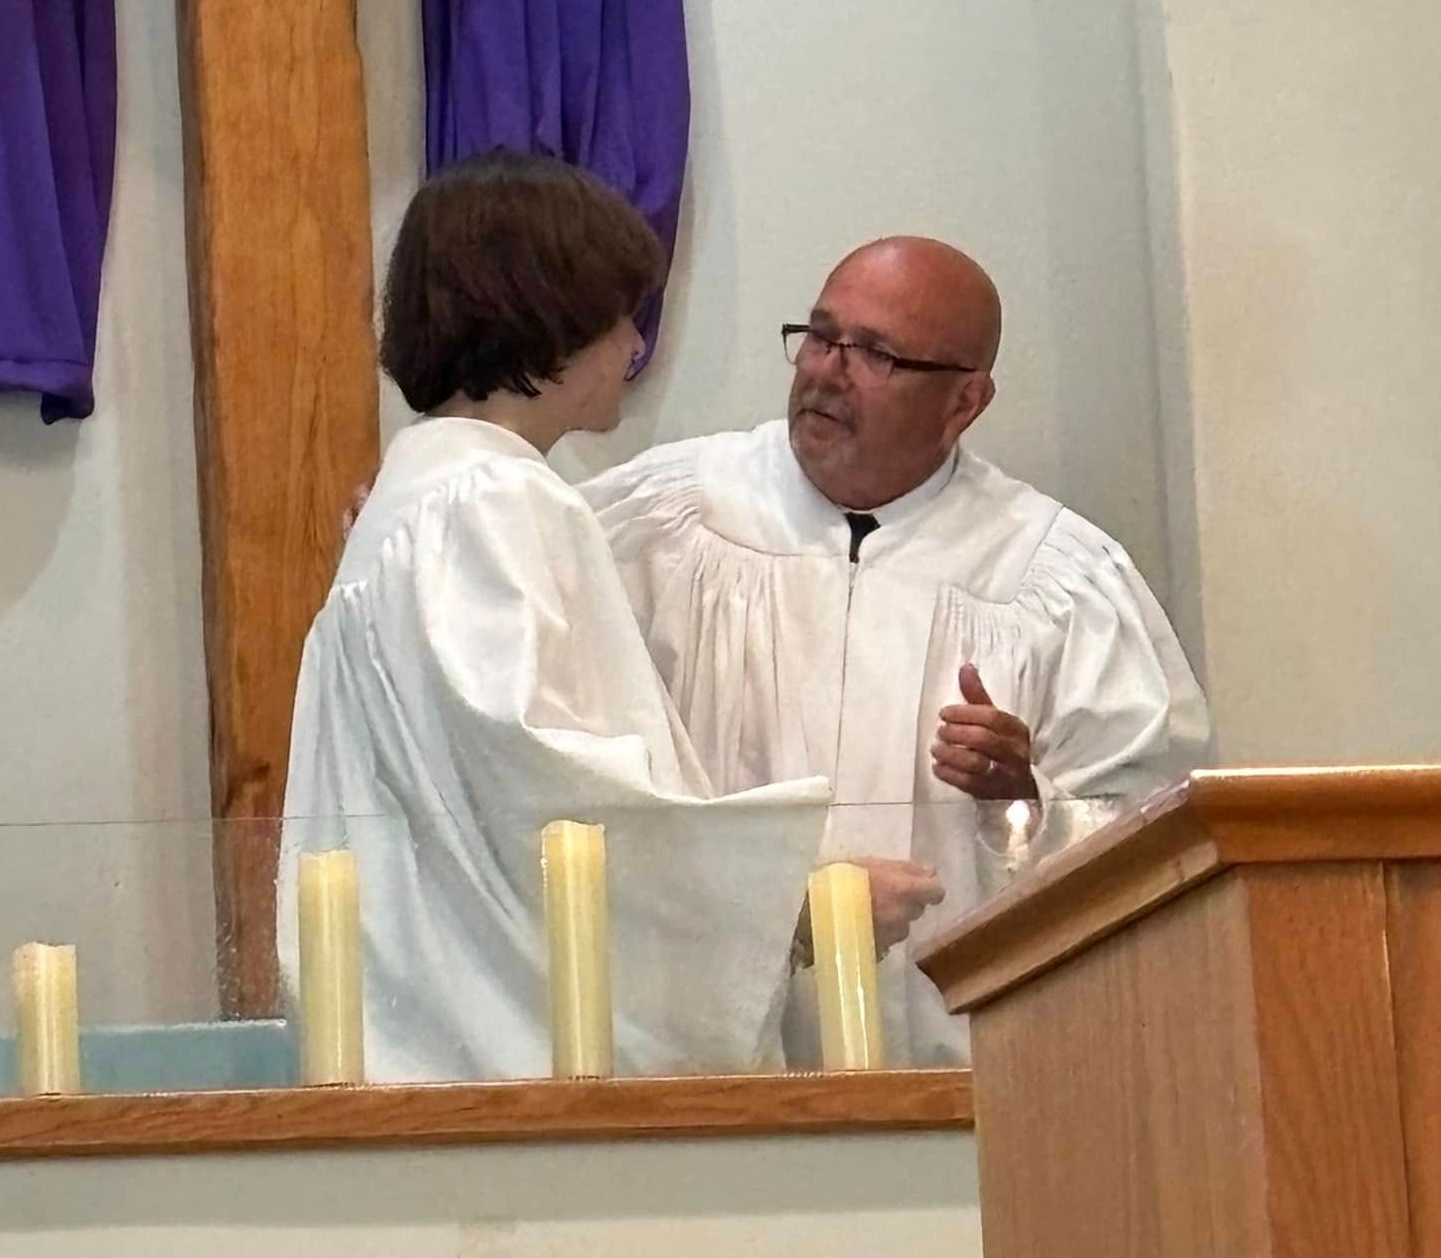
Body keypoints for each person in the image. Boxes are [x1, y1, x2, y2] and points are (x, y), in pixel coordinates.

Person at [581, 235, 1211, 1062]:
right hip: (700, 1072)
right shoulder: (661, 523)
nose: (825, 370)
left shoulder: (1057, 581)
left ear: (965, 402)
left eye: (875, 353)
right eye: (819, 335)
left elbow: (1152, 854)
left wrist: (1021, 797)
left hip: (955, 1090)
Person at [280, 152, 824, 1084]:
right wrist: (791, 901)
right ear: (548, 316)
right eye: (620, 318)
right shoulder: (489, 501)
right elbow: (538, 773)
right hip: (510, 1059)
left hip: (440, 1038)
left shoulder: (427, 498)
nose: (633, 348)